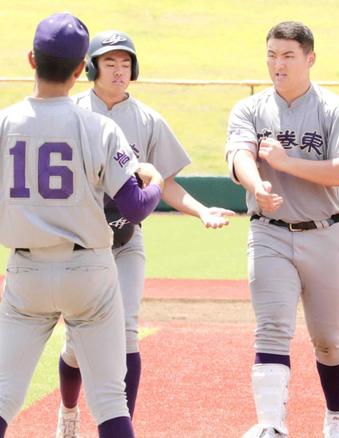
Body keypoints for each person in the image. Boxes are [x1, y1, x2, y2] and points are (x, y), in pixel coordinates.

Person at [55, 30, 235, 436]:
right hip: (79, 247)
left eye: (125, 63)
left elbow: (166, 183)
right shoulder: (72, 112)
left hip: (125, 241)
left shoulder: (147, 119)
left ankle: (124, 428)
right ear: (91, 67)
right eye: (109, 62)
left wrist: (201, 210)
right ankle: (68, 413)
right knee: (76, 347)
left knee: (127, 332)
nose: (119, 70)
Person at [0, 13, 165, 438]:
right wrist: (157, 181)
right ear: (81, 69)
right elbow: (136, 206)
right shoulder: (99, 127)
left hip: (25, 273)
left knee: (2, 397)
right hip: (90, 272)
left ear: (31, 60)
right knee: (110, 401)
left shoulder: (4, 124)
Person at [226, 21, 339, 438]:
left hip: (326, 231)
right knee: (272, 326)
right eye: (272, 54)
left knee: (328, 338)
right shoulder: (250, 109)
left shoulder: (334, 109)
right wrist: (257, 185)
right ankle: (272, 425)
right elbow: (240, 154)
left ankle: (336, 416)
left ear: (310, 59)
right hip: (269, 230)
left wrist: (287, 164)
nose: (278, 64)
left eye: (288, 55)